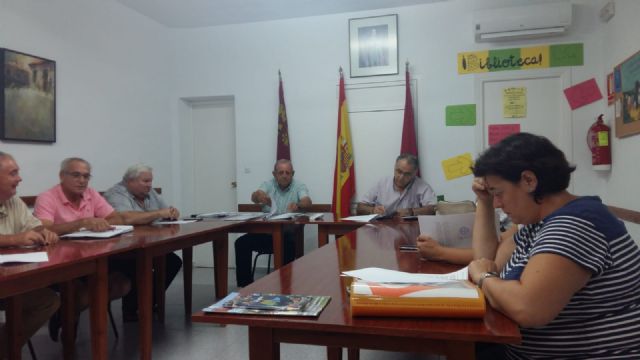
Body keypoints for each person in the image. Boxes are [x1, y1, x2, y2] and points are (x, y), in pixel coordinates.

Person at [468, 133, 640, 359]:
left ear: (529, 181)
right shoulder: (538, 221)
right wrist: (484, 201)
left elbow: (528, 309)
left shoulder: (575, 224)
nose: (498, 203)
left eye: (499, 193)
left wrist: (484, 278)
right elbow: (486, 260)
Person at [33, 157, 131, 341]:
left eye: (86, 176)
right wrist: (81, 223)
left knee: (122, 284)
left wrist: (105, 223)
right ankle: (66, 317)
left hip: (91, 256)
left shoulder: (91, 194)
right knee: (84, 292)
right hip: (60, 262)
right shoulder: (47, 197)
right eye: (76, 175)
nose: (82, 181)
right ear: (62, 176)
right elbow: (43, 228)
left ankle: (64, 313)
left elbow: (114, 217)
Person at [103, 164, 183, 322]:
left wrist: (171, 213)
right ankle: (132, 308)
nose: (149, 185)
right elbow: (127, 218)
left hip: (146, 243)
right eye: (145, 181)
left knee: (172, 261)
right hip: (120, 248)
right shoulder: (116, 194)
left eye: (150, 181)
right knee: (138, 265)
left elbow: (166, 210)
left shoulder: (150, 193)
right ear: (129, 181)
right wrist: (159, 213)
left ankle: (147, 303)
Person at [0, 151, 59, 357]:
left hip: (10, 281)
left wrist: (45, 232)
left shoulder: (13, 201)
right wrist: (14, 239)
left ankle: (5, 348)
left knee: (48, 300)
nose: (20, 178)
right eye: (13, 173)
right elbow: (18, 238)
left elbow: (35, 227)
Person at [234, 159, 311, 287]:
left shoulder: (299, 186)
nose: (285, 175)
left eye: (288, 172)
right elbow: (255, 196)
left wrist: (298, 205)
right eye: (281, 172)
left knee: (289, 244)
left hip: (287, 234)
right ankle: (245, 286)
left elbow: (307, 201)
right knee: (241, 243)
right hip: (265, 234)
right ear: (274, 174)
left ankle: (285, 285)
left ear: (293, 173)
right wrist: (259, 197)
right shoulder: (268, 184)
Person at [356, 154, 436, 217]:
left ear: (415, 173)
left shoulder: (422, 186)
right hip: (383, 229)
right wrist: (373, 210)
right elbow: (360, 207)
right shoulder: (382, 183)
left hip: (410, 229)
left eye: (407, 174)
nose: (401, 177)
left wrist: (412, 211)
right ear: (394, 167)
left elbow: (433, 209)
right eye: (399, 171)